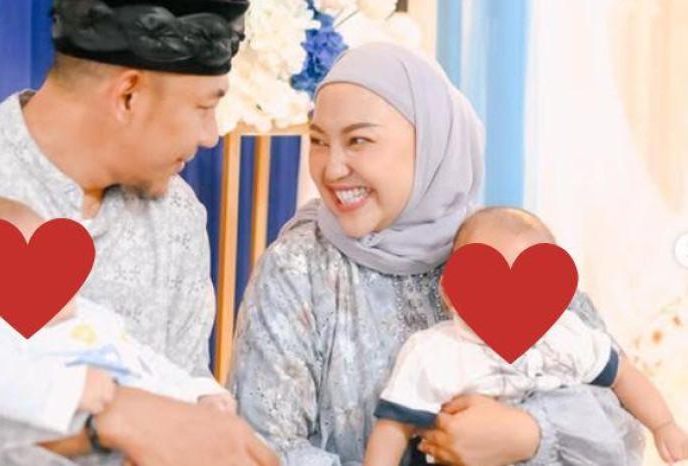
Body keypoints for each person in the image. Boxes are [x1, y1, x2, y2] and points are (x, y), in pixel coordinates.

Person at [0, 1, 278, 465]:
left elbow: (178, 391)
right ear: (128, 96)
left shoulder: (178, 214)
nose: (210, 136)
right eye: (204, 108)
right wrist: (107, 423)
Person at [230, 43, 644, 465]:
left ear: (431, 141)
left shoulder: (499, 248)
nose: (332, 168)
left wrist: (529, 434)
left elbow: (623, 427)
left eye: (358, 140)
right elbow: (261, 450)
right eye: (318, 141)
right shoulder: (299, 267)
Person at [364, 207, 688, 466]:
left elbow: (624, 376)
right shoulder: (436, 352)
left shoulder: (567, 335)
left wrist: (663, 425)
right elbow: (393, 427)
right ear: (451, 292)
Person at [0, 195, 235, 435]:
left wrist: (196, 393)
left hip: (162, 424)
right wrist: (71, 389)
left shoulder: (89, 315)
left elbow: (145, 360)